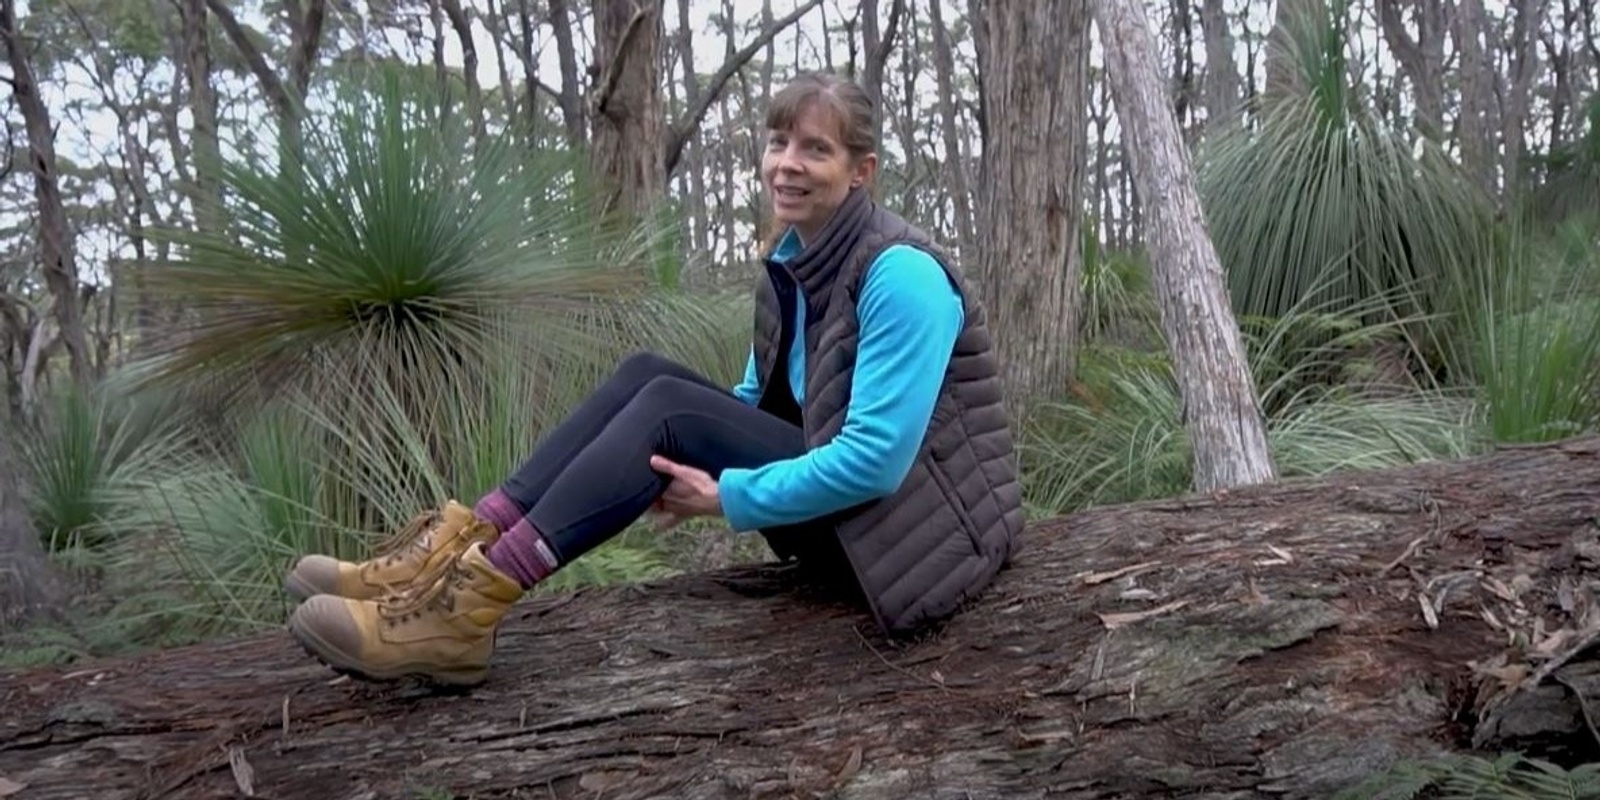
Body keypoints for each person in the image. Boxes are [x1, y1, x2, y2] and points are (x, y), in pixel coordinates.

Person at [284, 70, 1024, 687]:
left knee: (667, 404)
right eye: (778, 143)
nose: (786, 163)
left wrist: (724, 495)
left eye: (815, 149)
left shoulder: (902, 275)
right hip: (861, 522)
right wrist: (684, 456)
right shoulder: (795, 264)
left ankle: (464, 613)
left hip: (922, 545)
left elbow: (877, 461)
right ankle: (452, 553)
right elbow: (744, 408)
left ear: (861, 171)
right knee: (650, 377)